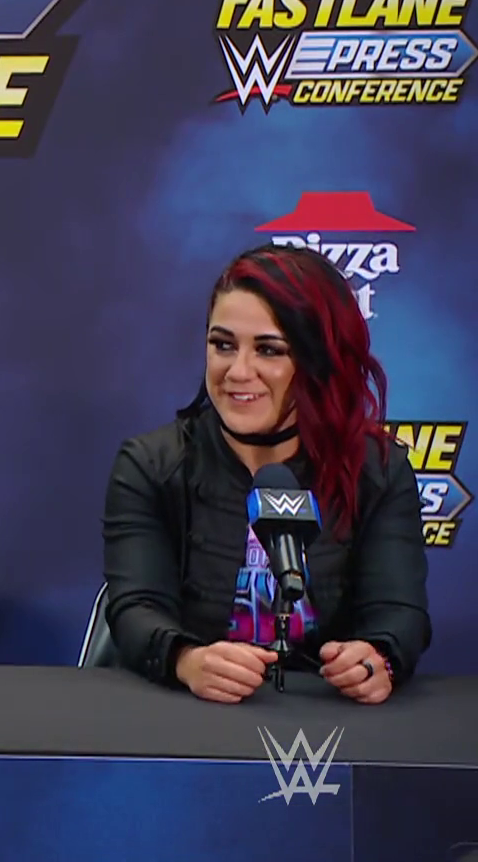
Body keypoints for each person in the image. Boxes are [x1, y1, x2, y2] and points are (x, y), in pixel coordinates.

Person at [102, 245, 430, 704]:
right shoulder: (151, 465)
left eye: (269, 350)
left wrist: (377, 659)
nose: (238, 372)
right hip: (191, 713)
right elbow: (136, 607)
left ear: (318, 360)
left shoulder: (378, 470)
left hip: (327, 715)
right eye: (223, 345)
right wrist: (186, 660)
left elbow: (399, 614)